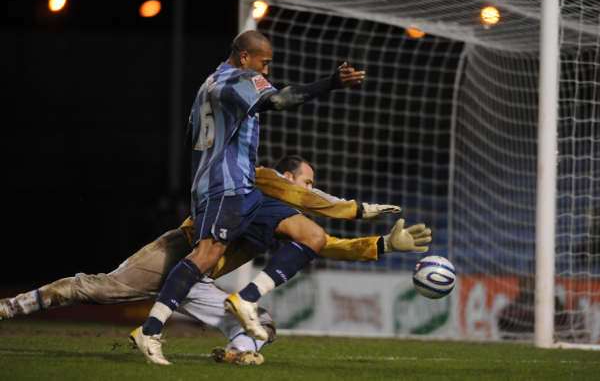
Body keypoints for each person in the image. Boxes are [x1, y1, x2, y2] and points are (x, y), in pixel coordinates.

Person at [0, 156, 431, 365]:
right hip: (179, 252)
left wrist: (384, 245)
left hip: (201, 278)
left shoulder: (284, 214)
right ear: (289, 176)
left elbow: (325, 243)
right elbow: (313, 210)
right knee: (96, 288)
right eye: (307, 180)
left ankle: (234, 355)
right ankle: (11, 306)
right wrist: (359, 208)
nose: (310, 188)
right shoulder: (261, 180)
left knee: (262, 327)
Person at [132, 30, 367, 364]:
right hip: (224, 188)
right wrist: (330, 83)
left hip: (244, 189)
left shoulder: (209, 84)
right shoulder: (235, 80)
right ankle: (150, 330)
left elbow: (191, 137)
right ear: (245, 57)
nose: (267, 71)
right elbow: (280, 101)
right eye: (264, 63)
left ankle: (247, 298)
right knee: (206, 255)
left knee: (311, 235)